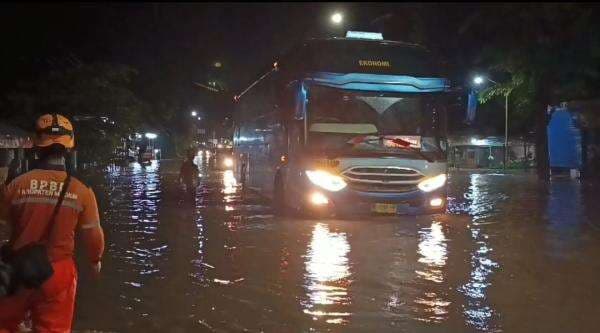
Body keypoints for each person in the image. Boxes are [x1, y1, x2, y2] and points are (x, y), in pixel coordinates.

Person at [0, 114, 105, 332]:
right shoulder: (82, 190)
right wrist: (95, 261)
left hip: (18, 269)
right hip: (58, 274)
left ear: (37, 145)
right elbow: (93, 236)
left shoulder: (16, 185)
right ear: (69, 147)